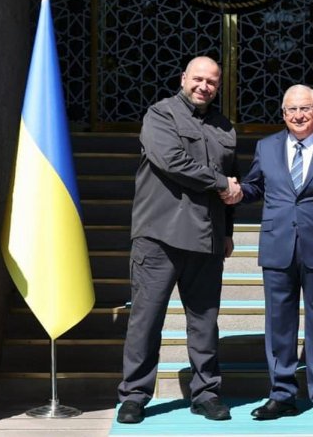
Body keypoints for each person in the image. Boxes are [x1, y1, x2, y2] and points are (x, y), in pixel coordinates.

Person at [116, 56, 240, 424]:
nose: (204, 86)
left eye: (212, 82)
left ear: (218, 86)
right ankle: (135, 395)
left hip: (207, 238)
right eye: (198, 78)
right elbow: (172, 160)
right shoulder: (160, 115)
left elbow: (232, 182)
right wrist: (221, 184)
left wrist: (229, 230)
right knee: (146, 320)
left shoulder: (225, 127)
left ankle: (206, 393)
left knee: (204, 322)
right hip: (160, 236)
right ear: (184, 77)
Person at [234, 85, 313, 424]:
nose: (298, 115)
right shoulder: (266, 146)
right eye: (292, 110)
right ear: (283, 113)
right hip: (278, 247)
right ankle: (281, 394)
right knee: (278, 326)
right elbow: (255, 186)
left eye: (305, 108)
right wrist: (235, 191)